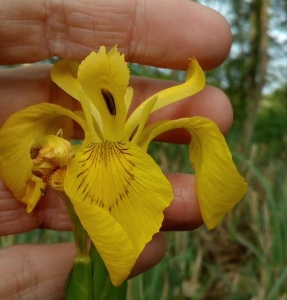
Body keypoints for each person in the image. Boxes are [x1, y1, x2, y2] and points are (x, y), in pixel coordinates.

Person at [0, 0, 233, 298]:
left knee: (115, 258)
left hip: (118, 156)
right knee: (112, 258)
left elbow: (63, 73)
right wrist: (28, 187)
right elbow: (21, 159)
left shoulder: (69, 84)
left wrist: (214, 200)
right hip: (108, 156)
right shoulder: (57, 104)